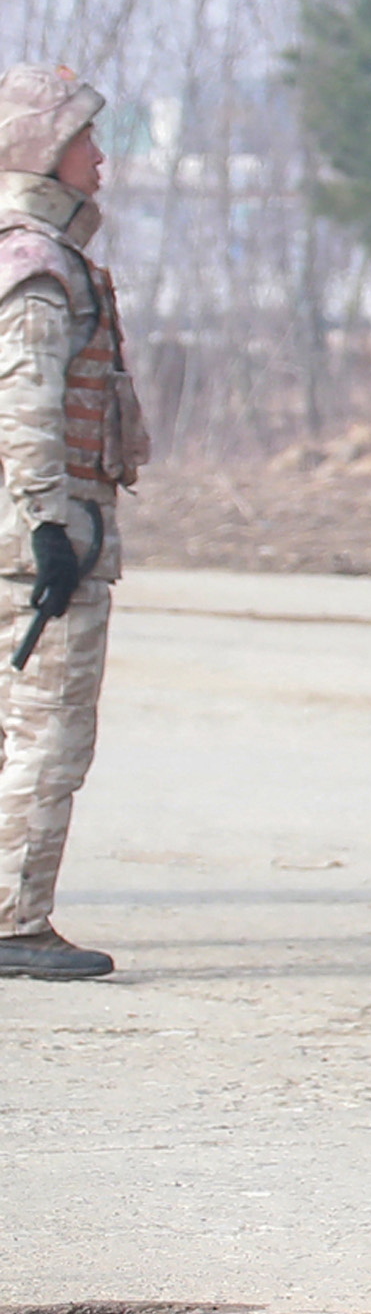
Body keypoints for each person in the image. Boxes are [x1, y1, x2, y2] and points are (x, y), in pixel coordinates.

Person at [0, 65, 140, 981]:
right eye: (84, 137)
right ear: (45, 150)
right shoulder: (38, 267)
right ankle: (14, 922)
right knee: (48, 731)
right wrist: (51, 526)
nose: (99, 155)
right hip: (37, 541)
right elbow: (27, 402)